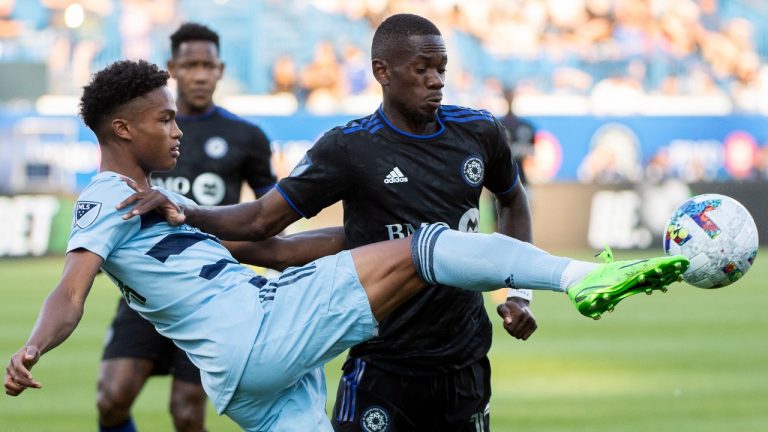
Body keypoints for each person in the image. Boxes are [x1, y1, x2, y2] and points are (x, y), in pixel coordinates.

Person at [4, 60, 689, 432]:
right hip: (263, 333)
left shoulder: (157, 206)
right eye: (163, 118)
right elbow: (70, 291)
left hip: (246, 377)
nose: (176, 130)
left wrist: (361, 235)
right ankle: (579, 280)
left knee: (418, 246)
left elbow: (276, 251)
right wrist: (32, 347)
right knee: (427, 247)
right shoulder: (104, 198)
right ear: (121, 129)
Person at [95, 23, 277, 432]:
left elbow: (271, 212)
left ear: (220, 69)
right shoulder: (142, 128)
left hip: (209, 288)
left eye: (207, 66)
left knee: (187, 409)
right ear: (172, 68)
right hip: (149, 284)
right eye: (190, 65)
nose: (199, 74)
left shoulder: (247, 136)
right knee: (112, 397)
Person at [500, 86, 536, 186]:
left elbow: (532, 153)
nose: (509, 98)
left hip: (522, 179)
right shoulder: (497, 125)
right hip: (501, 181)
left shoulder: (526, 126)